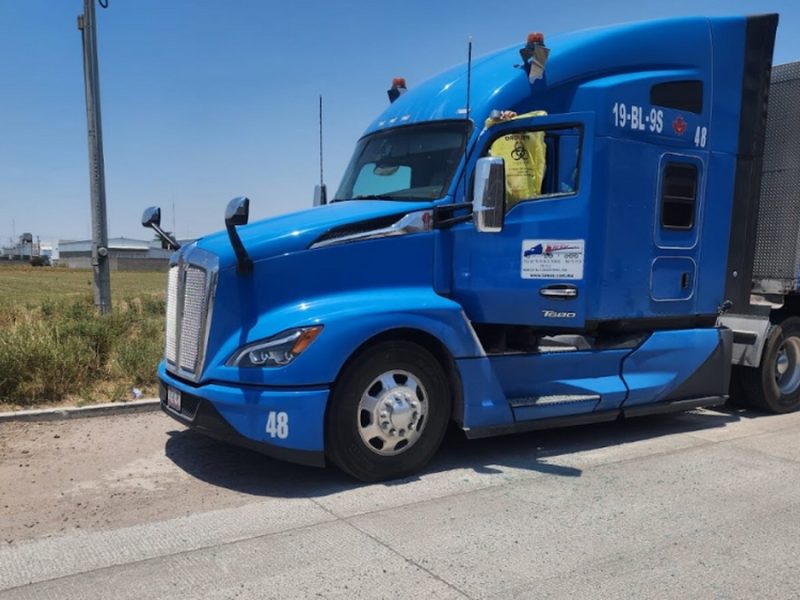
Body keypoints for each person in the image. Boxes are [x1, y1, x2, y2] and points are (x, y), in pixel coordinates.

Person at [484, 110, 547, 210]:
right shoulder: (495, 136)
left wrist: (517, 123)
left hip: (527, 205)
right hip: (501, 206)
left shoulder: (532, 138)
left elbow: (539, 162)